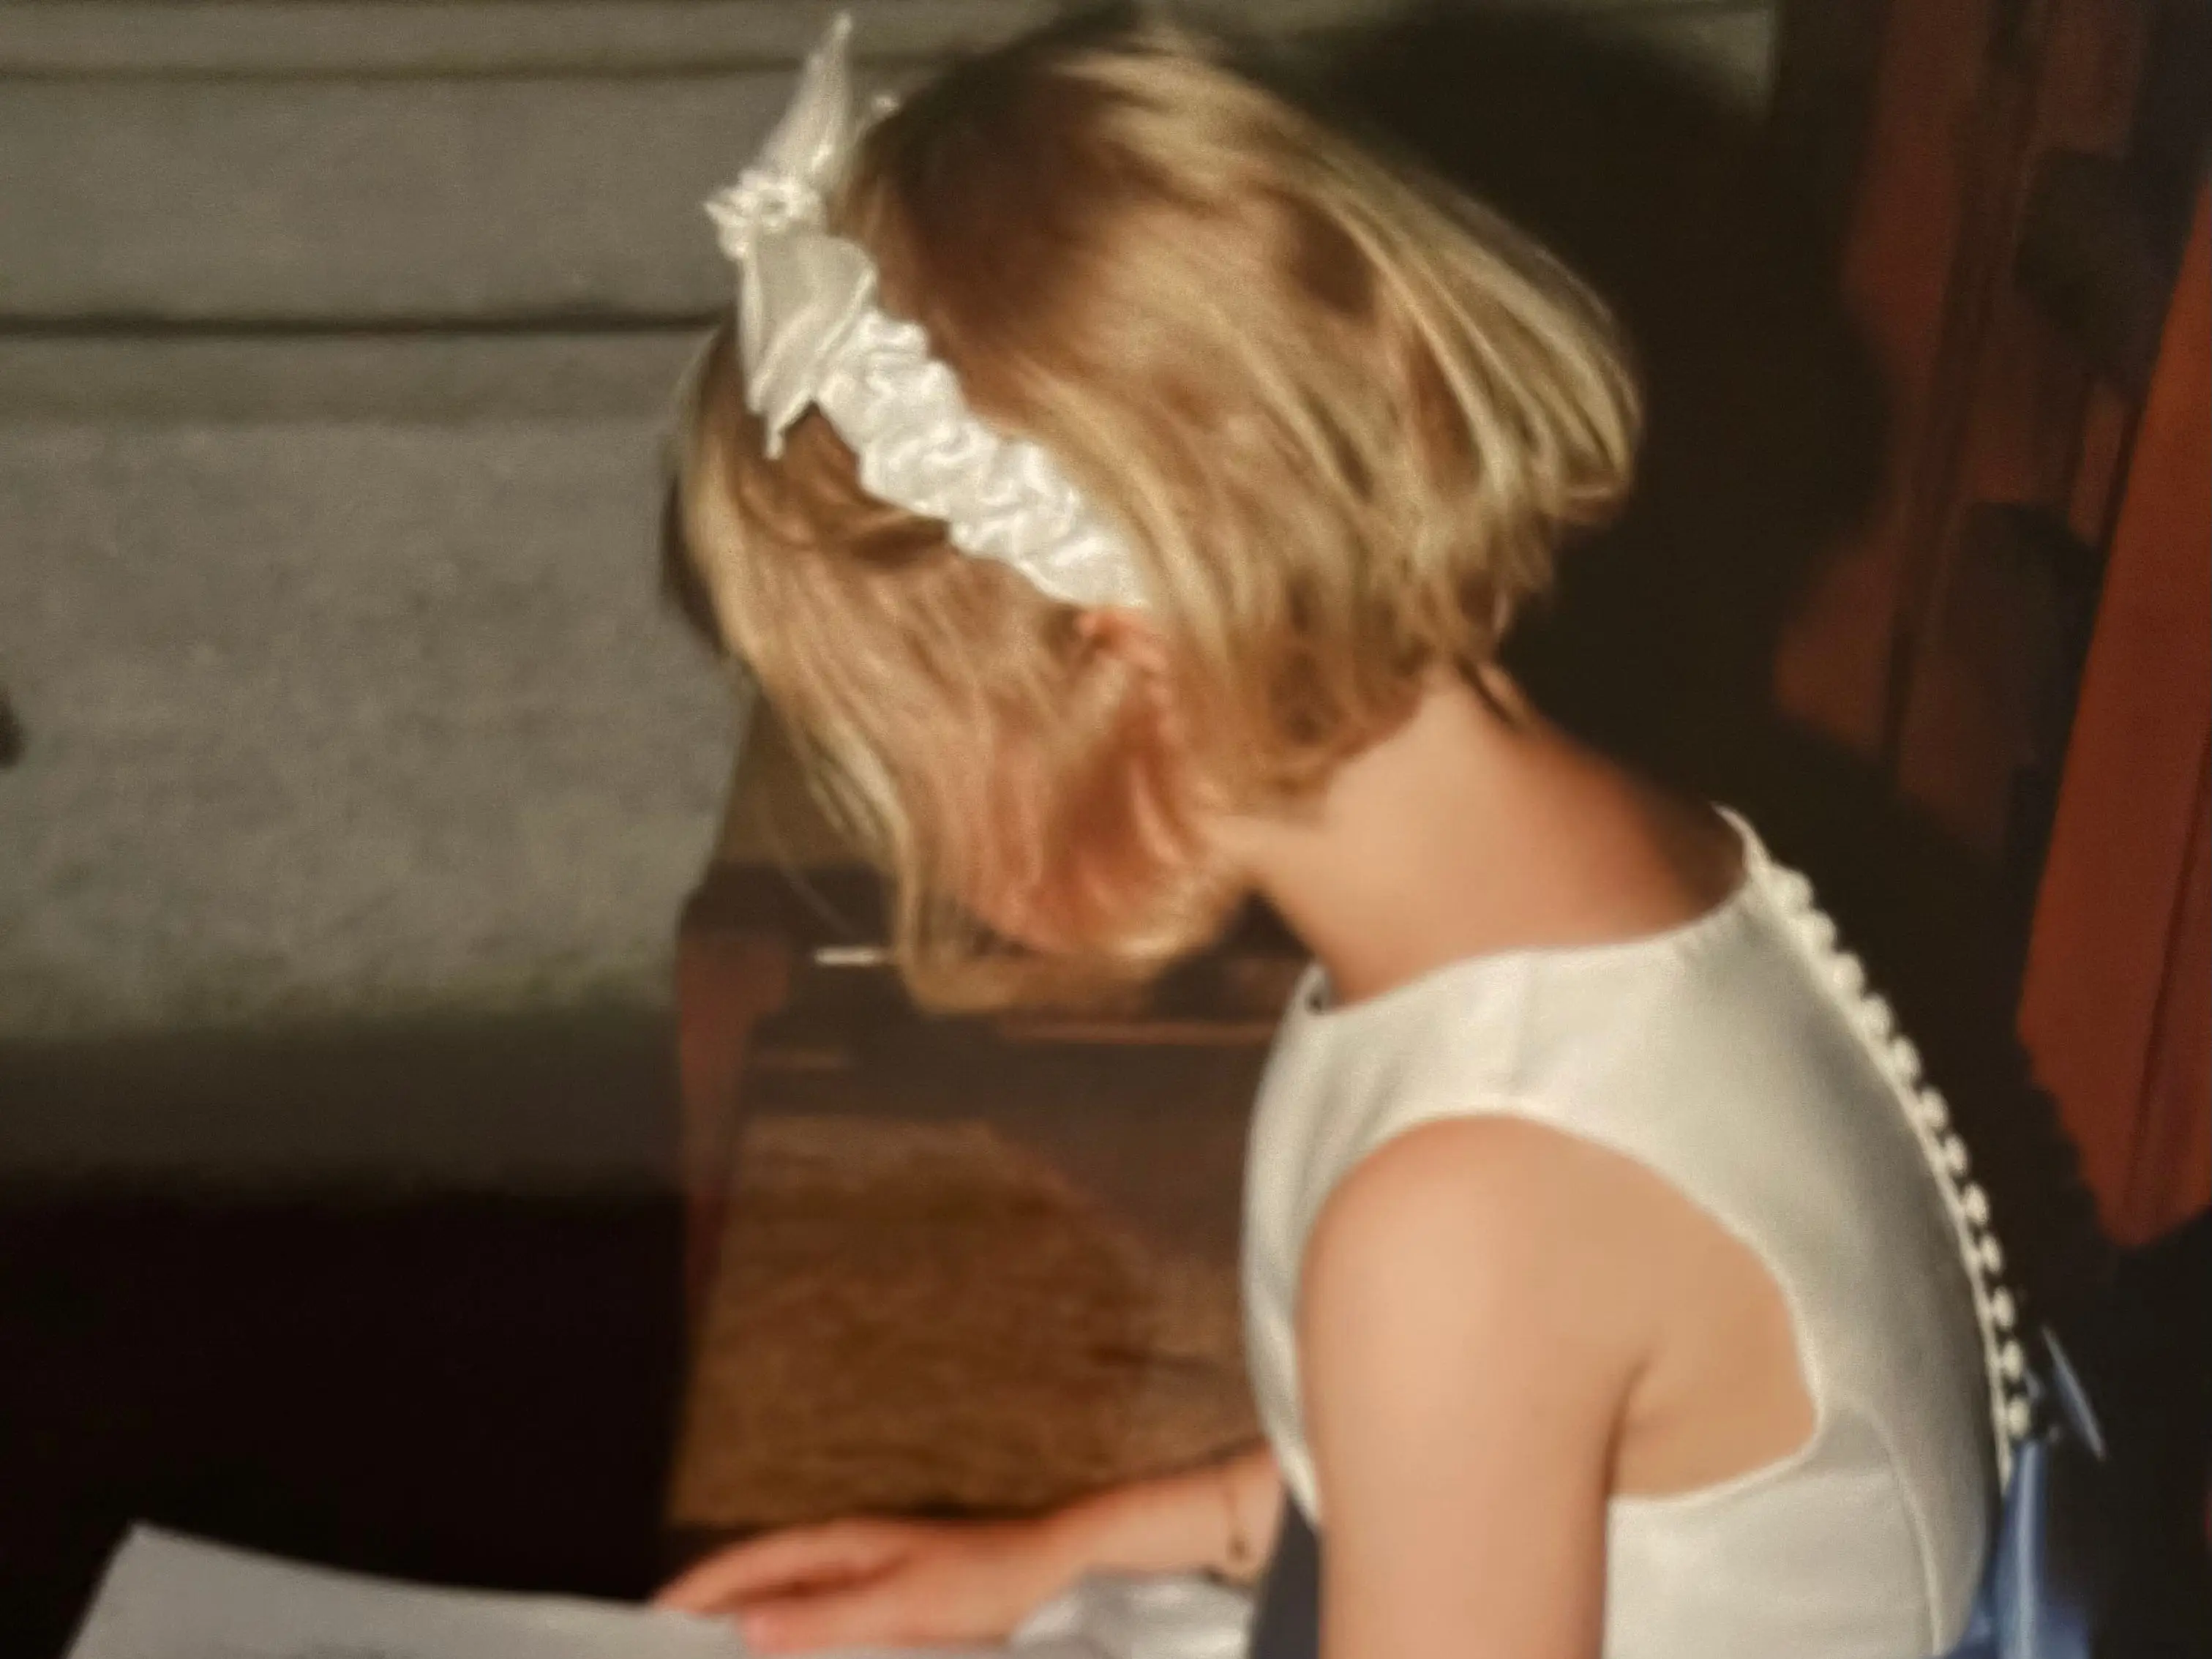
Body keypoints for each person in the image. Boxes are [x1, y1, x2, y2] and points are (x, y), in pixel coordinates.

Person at [654, 12, 2025, 1657]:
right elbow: (1434, 1453)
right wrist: (1043, 1555)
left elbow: (1464, 1348)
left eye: (889, 756)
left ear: (1125, 664)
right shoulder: (1618, 876)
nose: (900, 833)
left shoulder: (1470, 1200)